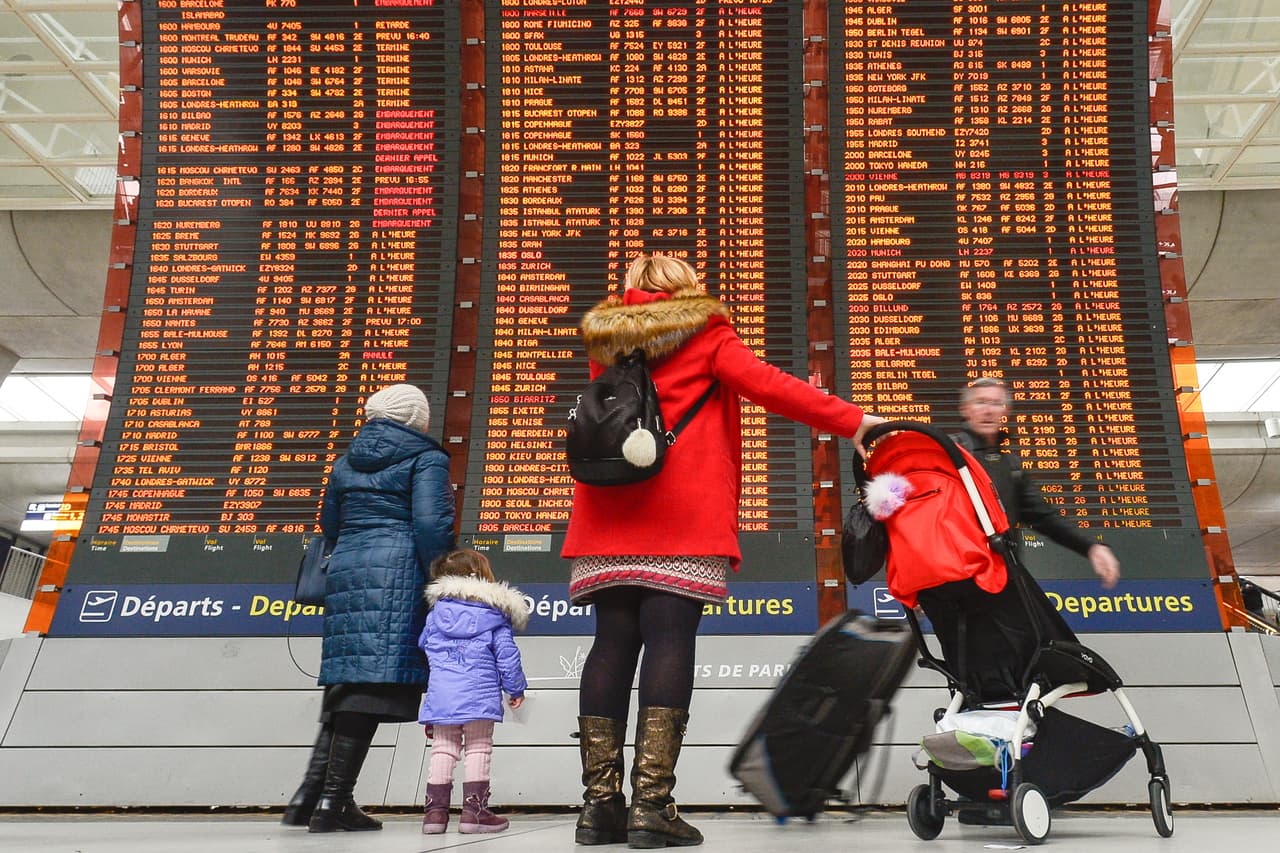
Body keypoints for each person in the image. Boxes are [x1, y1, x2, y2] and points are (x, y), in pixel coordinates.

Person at [562, 253, 885, 848]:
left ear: (632, 288)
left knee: (611, 646)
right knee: (668, 641)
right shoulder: (706, 332)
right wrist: (856, 423)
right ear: (688, 289)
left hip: (606, 515)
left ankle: (598, 806)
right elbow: (770, 386)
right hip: (680, 514)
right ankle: (650, 808)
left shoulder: (606, 338)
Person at [281, 383, 455, 833]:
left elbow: (330, 523)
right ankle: (334, 802)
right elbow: (431, 525)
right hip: (397, 572)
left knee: (347, 679)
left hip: (347, 570)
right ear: (415, 419)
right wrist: (443, 578)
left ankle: (308, 798)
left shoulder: (345, 462)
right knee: (367, 687)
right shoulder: (426, 458)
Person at [953, 376, 1121, 588]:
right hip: (955, 582)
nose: (989, 410)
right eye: (981, 402)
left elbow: (1045, 517)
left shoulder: (1011, 466)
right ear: (965, 409)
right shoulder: (947, 455)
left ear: (1005, 412)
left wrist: (1092, 547)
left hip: (1001, 580)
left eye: (996, 403)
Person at [418, 548, 528, 835]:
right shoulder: (493, 615)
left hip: (441, 695)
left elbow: (424, 647)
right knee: (478, 747)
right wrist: (514, 687)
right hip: (479, 695)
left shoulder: (435, 615)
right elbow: (507, 655)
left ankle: (434, 815)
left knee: (443, 749)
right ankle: (474, 814)